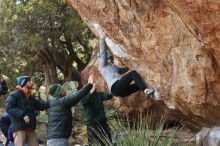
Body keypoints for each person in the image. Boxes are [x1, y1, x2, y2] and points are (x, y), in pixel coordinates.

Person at [98, 32, 160, 99]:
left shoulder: (112, 66)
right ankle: (145, 90)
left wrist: (133, 65)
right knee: (132, 73)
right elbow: (103, 53)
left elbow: (121, 70)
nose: (110, 59)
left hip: (121, 92)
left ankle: (155, 94)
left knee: (139, 84)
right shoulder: (102, 66)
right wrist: (102, 39)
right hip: (115, 87)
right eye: (109, 57)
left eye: (110, 58)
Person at [46, 76, 94, 146]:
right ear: (59, 92)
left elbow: (74, 100)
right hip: (59, 141)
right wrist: (89, 84)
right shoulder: (62, 102)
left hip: (52, 140)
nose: (64, 90)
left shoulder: (53, 102)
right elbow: (77, 96)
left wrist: (91, 92)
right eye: (62, 89)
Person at [81, 75, 113, 146]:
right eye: (93, 84)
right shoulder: (84, 96)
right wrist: (91, 92)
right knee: (93, 143)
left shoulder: (99, 94)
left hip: (102, 122)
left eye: (95, 83)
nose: (95, 84)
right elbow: (83, 102)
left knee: (107, 141)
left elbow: (108, 96)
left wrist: (111, 89)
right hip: (92, 124)